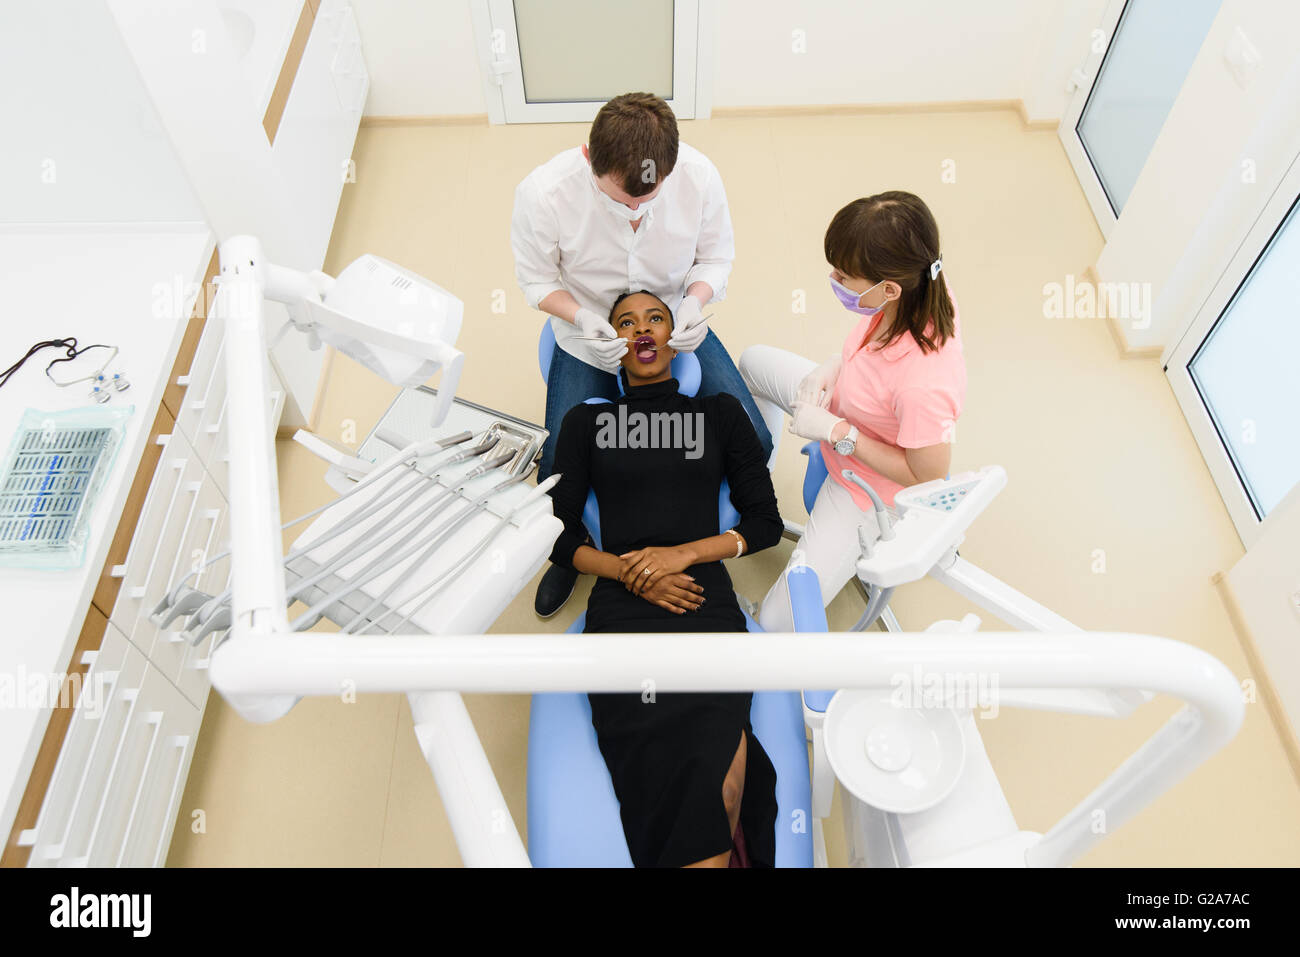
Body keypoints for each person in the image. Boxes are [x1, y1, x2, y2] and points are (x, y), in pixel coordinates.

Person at [512, 91, 775, 618]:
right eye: (621, 202)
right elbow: (536, 280)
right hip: (582, 337)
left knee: (760, 440)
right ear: (589, 157)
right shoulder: (543, 195)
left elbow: (716, 256)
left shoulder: (698, 177)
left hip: (679, 325)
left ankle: (694, 519)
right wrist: (582, 317)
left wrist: (694, 305)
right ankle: (570, 555)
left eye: (648, 201)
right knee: (558, 478)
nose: (636, 211)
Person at [545, 290, 784, 867]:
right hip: (623, 611)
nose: (643, 329)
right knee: (673, 780)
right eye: (627, 322)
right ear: (615, 346)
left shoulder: (719, 415)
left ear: (676, 339)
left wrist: (682, 555)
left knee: (728, 791)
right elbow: (555, 530)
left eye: (656, 318)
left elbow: (765, 523)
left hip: (703, 599)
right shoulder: (587, 422)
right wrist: (633, 573)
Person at [740, 191, 967, 632]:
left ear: (888, 288)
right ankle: (753, 471)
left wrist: (836, 431)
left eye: (845, 275)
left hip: (864, 488)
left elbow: (928, 476)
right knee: (751, 363)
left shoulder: (926, 382)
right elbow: (874, 350)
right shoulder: (918, 285)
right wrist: (833, 366)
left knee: (776, 622)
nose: (834, 278)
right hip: (841, 399)